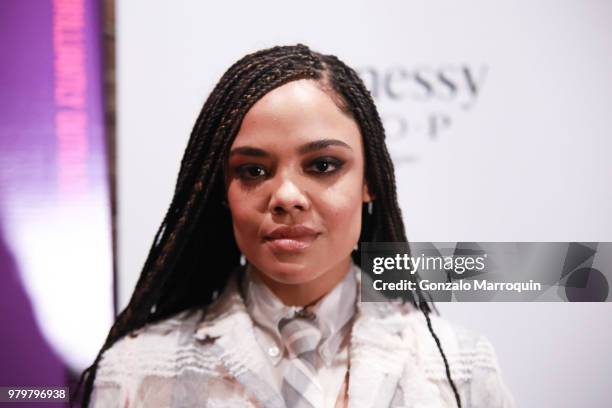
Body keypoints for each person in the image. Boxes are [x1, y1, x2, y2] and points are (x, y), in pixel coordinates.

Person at [78, 44, 514, 407]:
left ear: (370, 181)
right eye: (252, 171)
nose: (286, 197)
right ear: (221, 191)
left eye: (323, 165)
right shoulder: (137, 370)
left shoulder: (459, 366)